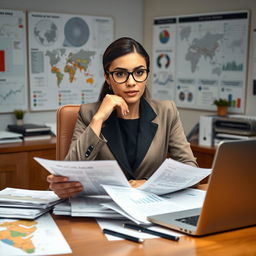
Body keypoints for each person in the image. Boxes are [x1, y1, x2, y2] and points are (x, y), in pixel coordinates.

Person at [47, 37, 197, 198]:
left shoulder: (167, 111)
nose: (131, 82)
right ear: (107, 77)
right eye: (120, 74)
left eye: (139, 72)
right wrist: (98, 119)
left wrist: (149, 184)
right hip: (103, 210)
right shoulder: (88, 113)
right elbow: (69, 174)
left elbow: (190, 170)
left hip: (149, 208)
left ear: (146, 75)